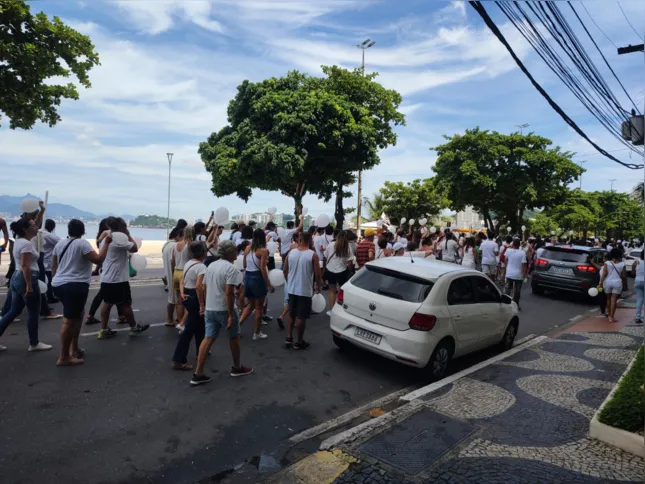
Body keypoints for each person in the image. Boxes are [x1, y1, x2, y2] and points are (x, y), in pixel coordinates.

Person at [191, 240, 253, 385]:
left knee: (208, 338)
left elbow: (204, 286)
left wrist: (203, 305)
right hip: (224, 309)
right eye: (234, 251)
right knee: (234, 337)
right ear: (230, 252)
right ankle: (237, 367)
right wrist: (231, 314)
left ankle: (198, 372)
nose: (236, 253)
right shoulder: (231, 269)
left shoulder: (211, 265)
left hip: (210, 308)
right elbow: (229, 293)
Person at [51, 219, 111, 365]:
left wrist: (56, 280)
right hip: (75, 285)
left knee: (78, 315)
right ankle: (64, 356)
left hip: (59, 284)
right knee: (69, 321)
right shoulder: (82, 243)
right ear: (83, 231)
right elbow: (98, 259)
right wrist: (107, 243)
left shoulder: (60, 244)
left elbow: (54, 265)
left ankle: (75, 349)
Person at [0, 217, 53, 352]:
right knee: (33, 312)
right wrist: (29, 285)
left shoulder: (19, 241)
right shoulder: (26, 244)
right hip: (26, 278)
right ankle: (34, 343)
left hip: (17, 278)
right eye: (33, 226)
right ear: (25, 229)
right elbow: (25, 265)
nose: (36, 227)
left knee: (14, 311)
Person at [97, 218, 150, 339]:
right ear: (122, 228)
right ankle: (133, 328)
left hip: (106, 277)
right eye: (125, 227)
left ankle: (103, 329)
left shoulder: (106, 238)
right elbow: (135, 248)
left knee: (107, 303)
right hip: (118, 279)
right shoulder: (119, 239)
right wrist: (129, 235)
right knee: (125, 304)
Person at [283, 232, 322, 350]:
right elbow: (317, 273)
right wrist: (318, 286)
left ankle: (289, 337)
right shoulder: (313, 255)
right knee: (302, 317)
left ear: (299, 240)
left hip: (292, 288)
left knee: (292, 314)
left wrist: (289, 281)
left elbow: (285, 270)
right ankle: (299, 341)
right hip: (304, 289)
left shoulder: (291, 253)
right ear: (310, 240)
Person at [172, 241, 207, 370]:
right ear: (203, 252)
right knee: (189, 330)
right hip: (194, 296)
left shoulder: (188, 263)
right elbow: (199, 287)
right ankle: (178, 359)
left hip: (187, 293)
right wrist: (202, 305)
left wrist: (182, 292)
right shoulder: (202, 267)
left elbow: (182, 280)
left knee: (200, 326)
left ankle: (201, 350)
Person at [85, 218, 125, 325]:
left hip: (104, 269)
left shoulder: (101, 238)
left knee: (111, 294)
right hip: (110, 270)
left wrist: (97, 269)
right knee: (106, 295)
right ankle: (92, 316)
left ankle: (121, 315)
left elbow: (101, 255)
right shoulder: (109, 236)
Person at [239, 229, 274, 340]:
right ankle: (257, 333)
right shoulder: (263, 251)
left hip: (248, 277)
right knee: (259, 307)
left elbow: (244, 264)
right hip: (257, 278)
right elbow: (263, 269)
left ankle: (236, 326)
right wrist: (269, 284)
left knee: (250, 305)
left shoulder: (247, 248)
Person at [172, 225, 195, 332]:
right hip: (185, 272)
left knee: (179, 300)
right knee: (188, 299)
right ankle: (184, 323)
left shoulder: (176, 244)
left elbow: (172, 260)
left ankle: (180, 321)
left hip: (176, 271)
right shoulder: (190, 244)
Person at [324, 230, 353, 312]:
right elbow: (350, 262)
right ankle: (340, 309)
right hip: (342, 270)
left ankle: (332, 309)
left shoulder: (331, 244)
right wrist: (349, 270)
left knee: (332, 290)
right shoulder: (347, 247)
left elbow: (325, 256)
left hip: (330, 269)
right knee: (342, 290)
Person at [598, 248, 626, 324]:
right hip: (617, 283)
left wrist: (600, 283)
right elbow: (624, 276)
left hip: (607, 282)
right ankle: (611, 317)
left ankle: (608, 312)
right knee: (614, 299)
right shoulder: (622, 264)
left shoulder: (607, 263)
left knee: (608, 299)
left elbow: (604, 274)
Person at [162, 228, 182, 327]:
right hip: (174, 274)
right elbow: (173, 261)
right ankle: (175, 320)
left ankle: (172, 319)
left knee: (172, 298)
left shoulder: (166, 245)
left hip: (168, 274)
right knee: (177, 300)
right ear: (178, 235)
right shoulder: (175, 246)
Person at [503, 238, 528, 309]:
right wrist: (525, 275)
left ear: (513, 244)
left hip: (509, 273)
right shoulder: (522, 253)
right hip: (518, 275)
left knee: (507, 290)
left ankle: (505, 303)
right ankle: (516, 304)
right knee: (517, 291)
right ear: (519, 245)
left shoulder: (508, 250)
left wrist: (507, 268)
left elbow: (505, 260)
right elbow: (524, 265)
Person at [42, 219, 61, 304]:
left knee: (45, 280)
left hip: (43, 260)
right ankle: (50, 297)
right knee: (49, 281)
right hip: (47, 261)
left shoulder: (41, 233)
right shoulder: (48, 235)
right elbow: (60, 241)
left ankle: (48, 297)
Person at [632, 250, 644, 325]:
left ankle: (637, 317)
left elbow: (633, 272)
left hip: (638, 281)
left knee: (639, 300)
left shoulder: (636, 261)